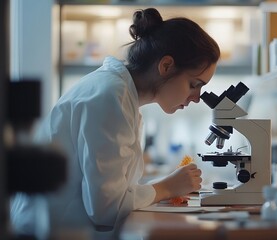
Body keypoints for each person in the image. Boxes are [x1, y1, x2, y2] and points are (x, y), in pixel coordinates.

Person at [10, 8, 220, 239]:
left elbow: (114, 192)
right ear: (166, 66)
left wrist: (165, 186)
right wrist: (167, 187)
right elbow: (107, 209)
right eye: (194, 84)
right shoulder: (110, 96)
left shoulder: (121, 94)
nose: (197, 97)